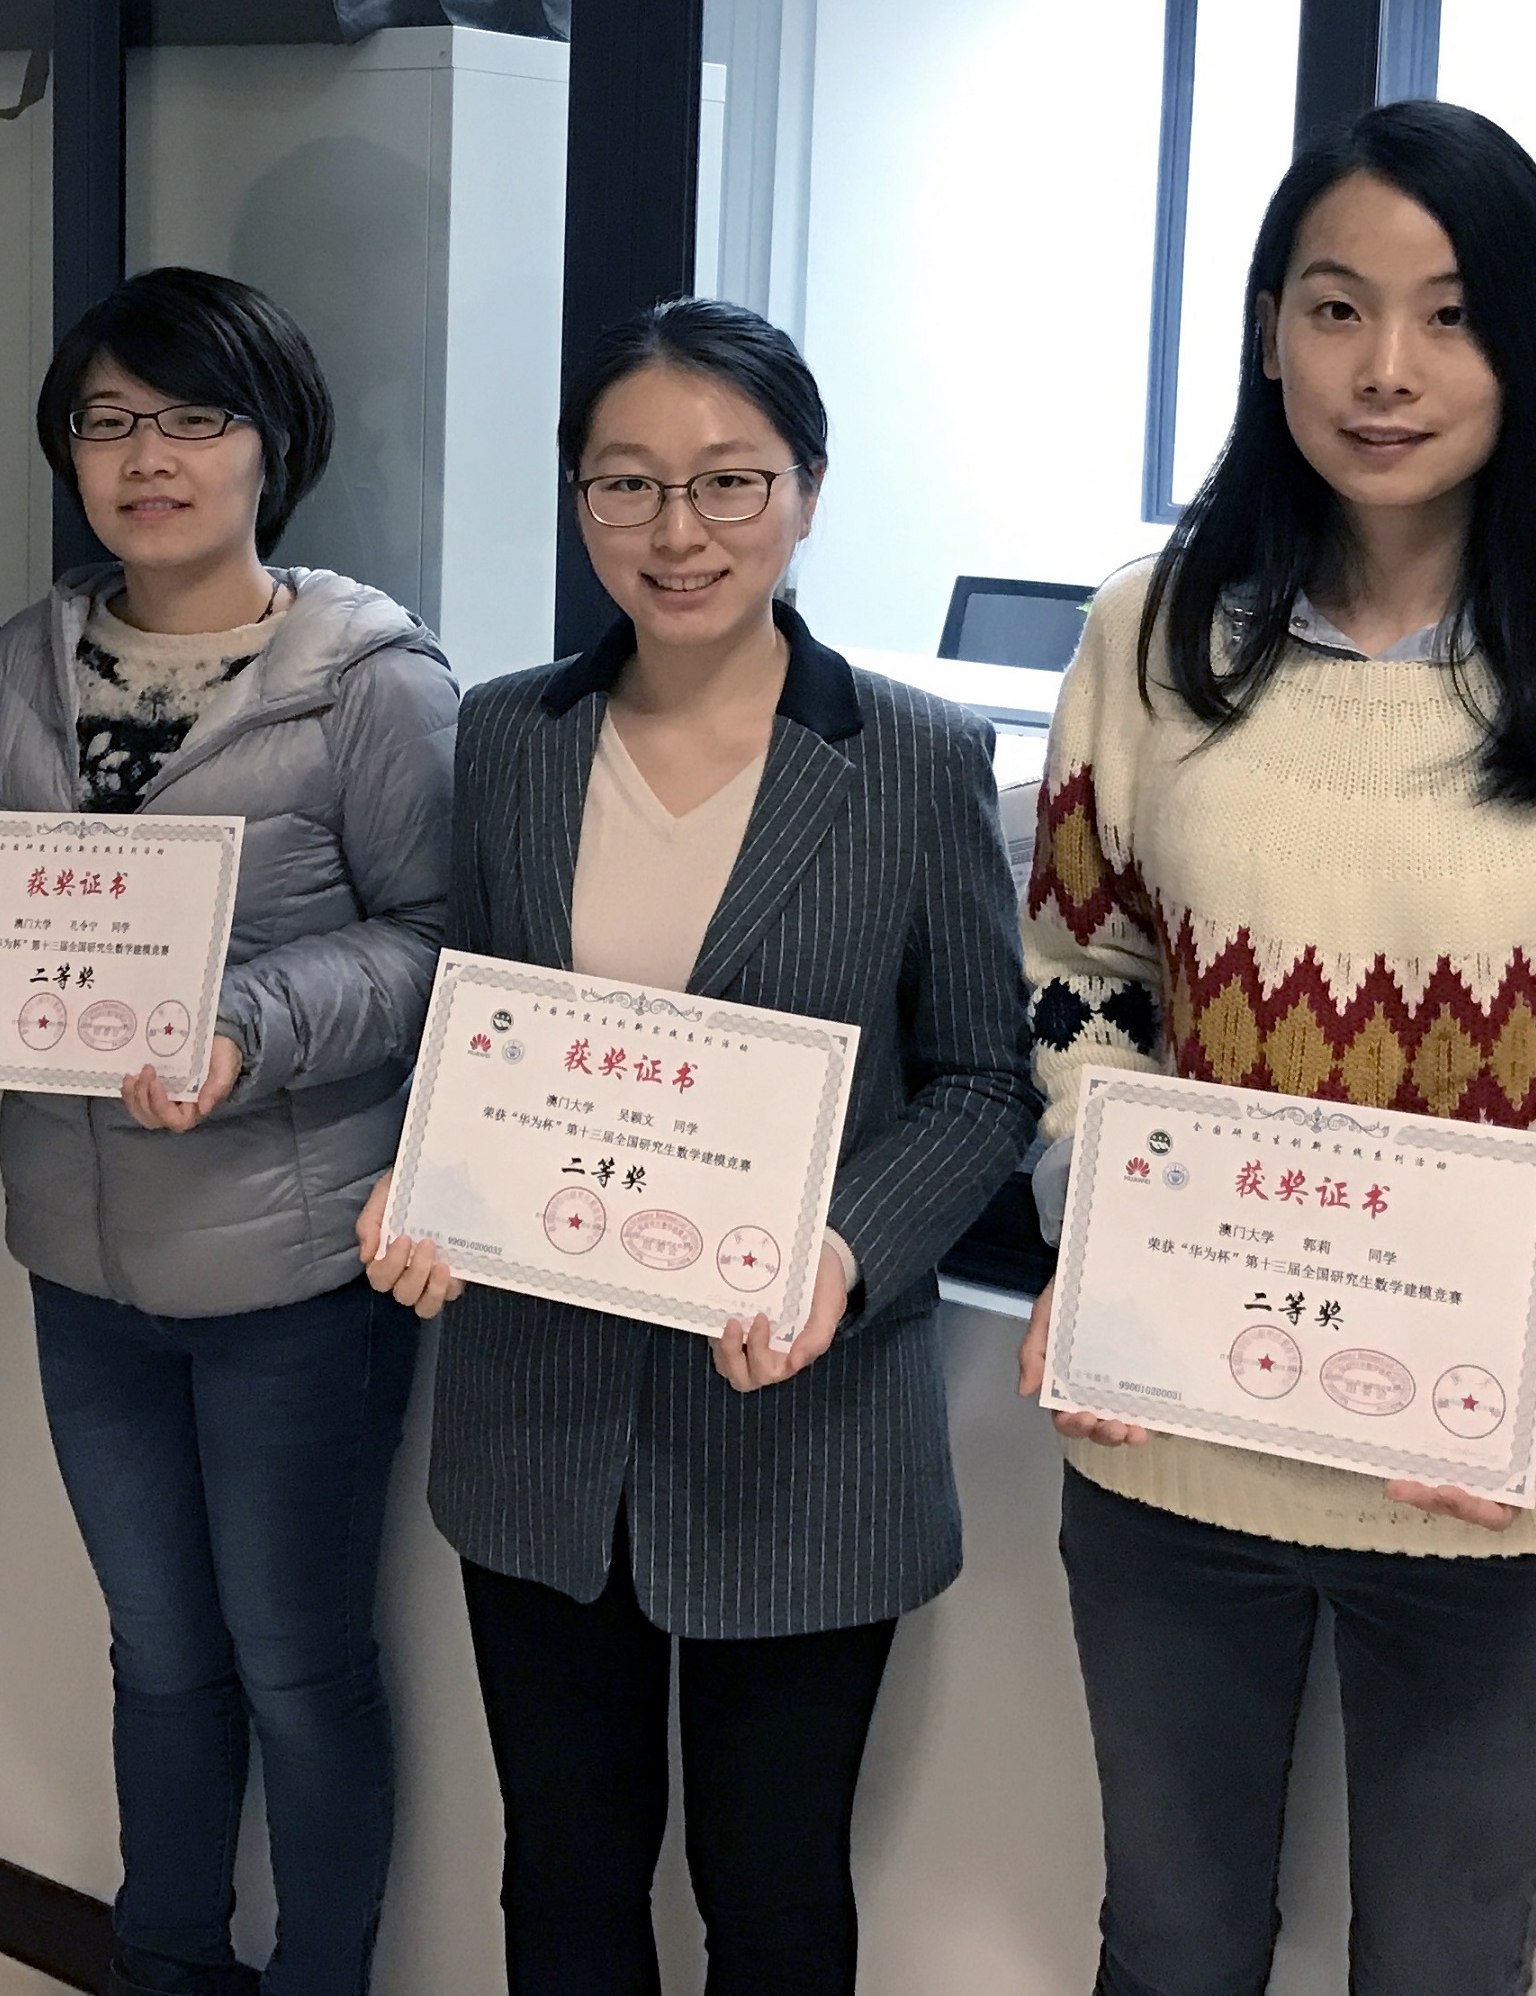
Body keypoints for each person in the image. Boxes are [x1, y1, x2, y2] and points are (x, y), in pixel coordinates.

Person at [1017, 100, 1536, 1996]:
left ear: (1523, 345)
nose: (1383, 368)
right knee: (1168, 1952)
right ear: (1267, 335)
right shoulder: (1148, 639)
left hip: (1493, 1482)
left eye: (1449, 315)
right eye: (1334, 308)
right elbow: (1080, 968)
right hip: (1174, 1457)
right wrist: (1103, 1218)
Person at [360, 298, 1039, 1996]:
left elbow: (981, 1079)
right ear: (578, 497)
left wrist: (842, 1251)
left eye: (729, 480)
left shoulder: (914, 758)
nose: (678, 531)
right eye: (628, 482)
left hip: (800, 1424)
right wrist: (424, 1180)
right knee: (562, 1875)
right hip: (539, 1413)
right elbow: (475, 1026)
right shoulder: (508, 737)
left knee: (775, 1893)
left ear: (805, 491)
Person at [0, 267, 456, 1996]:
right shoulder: (21, 659)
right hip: (80, 1259)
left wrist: (243, 1028)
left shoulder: (366, 679)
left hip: (292, 1269)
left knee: (296, 1668)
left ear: (273, 443)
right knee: (156, 1652)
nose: (148, 458)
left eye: (193, 418)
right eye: (108, 422)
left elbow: (441, 944)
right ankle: (163, 1958)